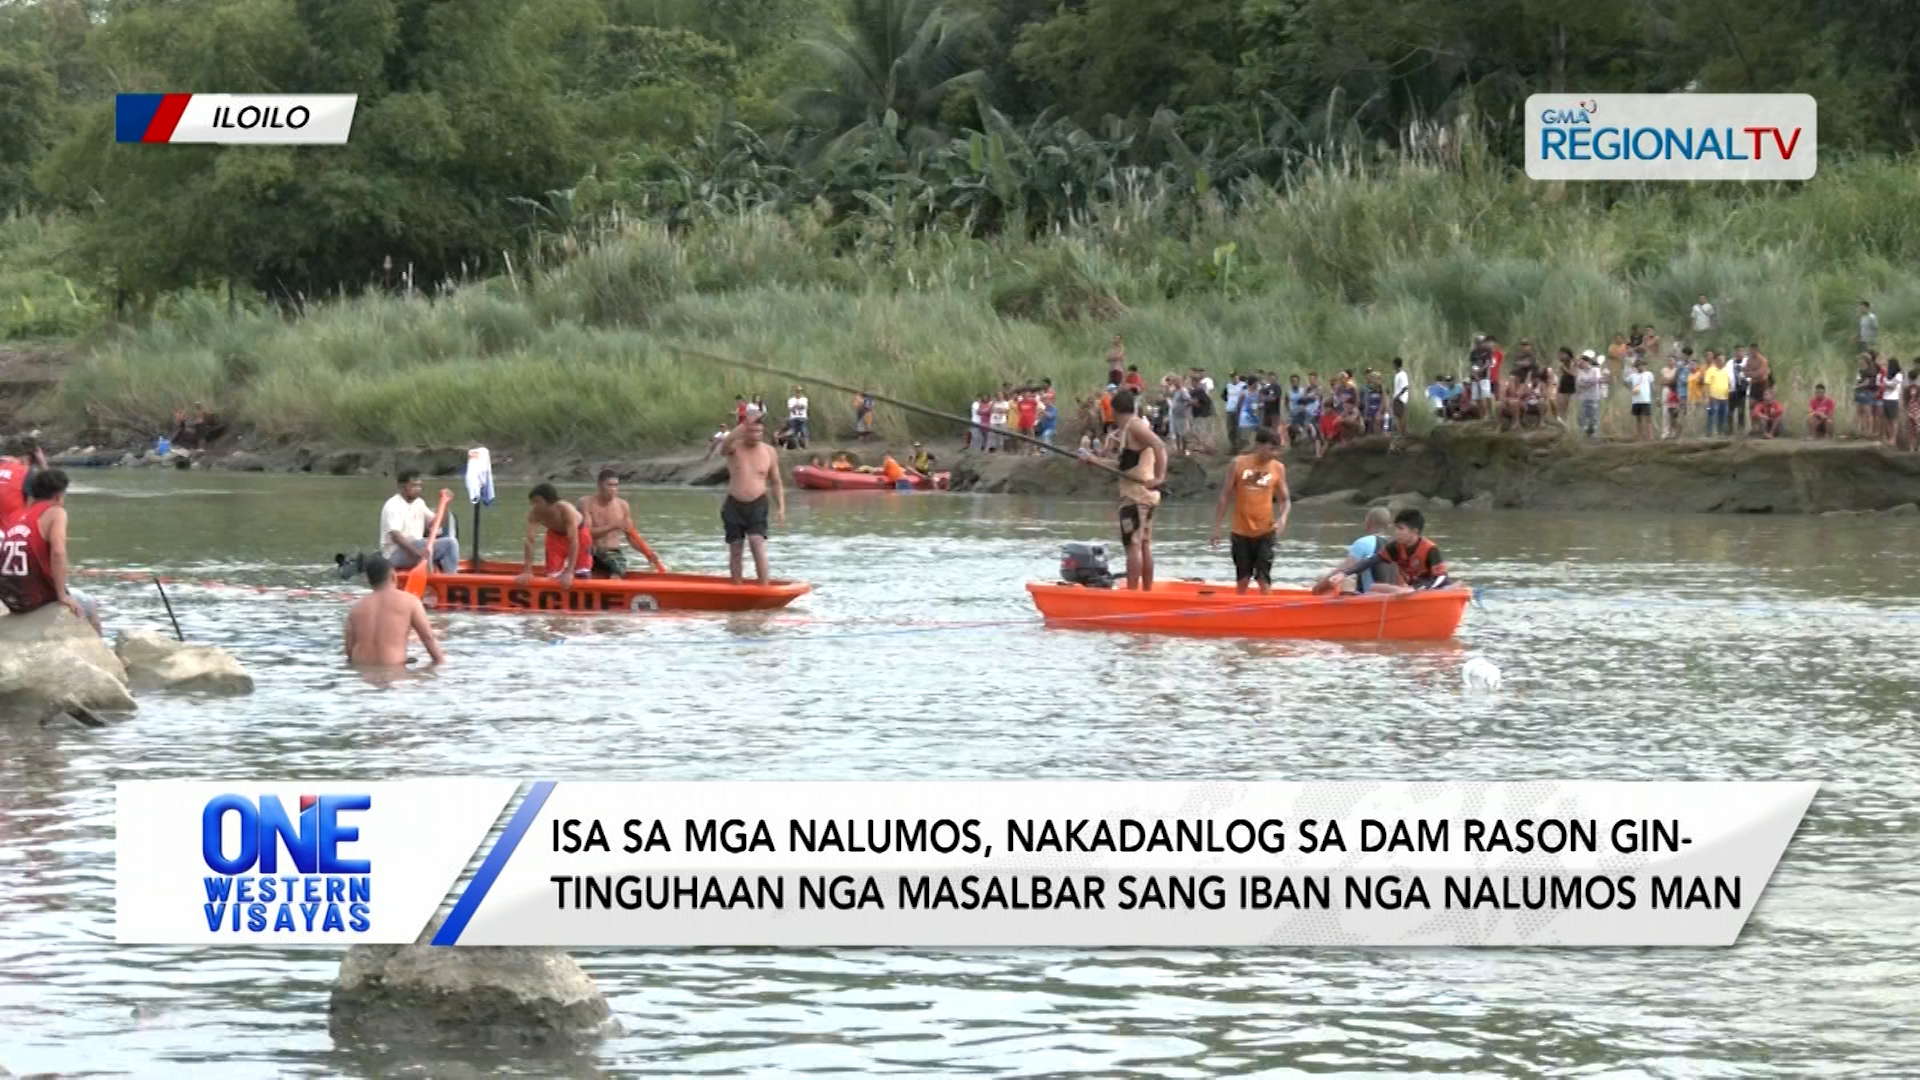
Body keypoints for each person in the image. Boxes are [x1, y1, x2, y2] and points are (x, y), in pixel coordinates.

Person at [1083, 390, 1166, 591]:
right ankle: (1145, 591)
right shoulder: (1130, 429)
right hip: (1143, 496)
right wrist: (1093, 460)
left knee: (1133, 545)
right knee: (1143, 544)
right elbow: (1124, 467)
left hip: (1136, 497)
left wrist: (1159, 477)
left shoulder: (1135, 426)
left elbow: (1159, 445)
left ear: (1114, 411)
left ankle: (1133, 592)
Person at [0, 469, 100, 633]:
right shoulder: (55, 512)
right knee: (89, 603)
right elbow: (58, 552)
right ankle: (99, 647)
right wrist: (62, 595)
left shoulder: (15, 515)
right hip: (36, 597)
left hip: (10, 598)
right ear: (59, 496)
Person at [1209, 428, 1290, 594]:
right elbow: (1225, 495)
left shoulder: (1278, 467)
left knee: (1263, 579)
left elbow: (1285, 499)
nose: (1274, 453)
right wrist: (1216, 528)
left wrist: (1282, 518)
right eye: (1271, 448)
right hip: (1240, 531)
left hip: (1266, 531)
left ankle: (1267, 607)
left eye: (1277, 449)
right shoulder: (1238, 463)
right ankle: (1240, 607)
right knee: (1243, 579)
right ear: (1259, 445)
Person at [343, 555, 445, 668]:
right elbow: (428, 638)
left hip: (361, 671)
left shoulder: (356, 608)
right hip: (393, 671)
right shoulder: (410, 602)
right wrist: (440, 664)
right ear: (393, 575)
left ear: (368, 580)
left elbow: (349, 651)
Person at [1321, 508, 1451, 594]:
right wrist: (1344, 573)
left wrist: (1417, 589)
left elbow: (1441, 577)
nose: (1396, 532)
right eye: (1396, 528)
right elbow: (1371, 561)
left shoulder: (1430, 549)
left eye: (1401, 529)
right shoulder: (1395, 547)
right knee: (1373, 588)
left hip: (1432, 589)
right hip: (1413, 589)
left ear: (1414, 531)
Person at [721, 415, 786, 586]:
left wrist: (781, 507)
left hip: (757, 503)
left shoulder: (769, 451)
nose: (755, 435)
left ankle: (764, 585)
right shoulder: (734, 447)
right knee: (735, 547)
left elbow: (776, 482)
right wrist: (744, 423)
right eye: (751, 431)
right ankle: (737, 586)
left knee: (756, 542)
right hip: (734, 503)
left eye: (759, 431)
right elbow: (725, 445)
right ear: (743, 431)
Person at [577, 469, 663, 577]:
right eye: (609, 485)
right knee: (582, 570)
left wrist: (647, 553)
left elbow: (631, 536)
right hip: (590, 551)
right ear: (599, 485)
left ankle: (615, 579)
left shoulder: (623, 505)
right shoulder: (586, 502)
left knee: (618, 570)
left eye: (616, 485)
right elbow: (587, 533)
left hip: (612, 552)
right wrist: (613, 526)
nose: (613, 489)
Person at [380, 471, 459, 576]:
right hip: (395, 553)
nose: (418, 489)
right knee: (425, 545)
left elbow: (436, 523)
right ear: (401, 486)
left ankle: (450, 578)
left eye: (419, 486)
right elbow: (396, 536)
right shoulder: (393, 505)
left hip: (416, 547)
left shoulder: (419, 503)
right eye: (413, 486)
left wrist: (444, 504)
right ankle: (433, 576)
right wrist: (416, 552)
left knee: (450, 543)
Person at [516, 483, 591, 590]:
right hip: (555, 536)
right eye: (532, 502)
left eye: (537, 502)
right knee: (552, 573)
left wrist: (569, 571)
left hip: (579, 534)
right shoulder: (534, 513)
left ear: (550, 501)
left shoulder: (565, 510)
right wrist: (527, 570)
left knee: (582, 572)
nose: (534, 506)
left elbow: (574, 541)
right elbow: (529, 541)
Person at [1310, 507, 1400, 594]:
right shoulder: (1395, 545)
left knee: (1323, 579)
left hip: (1371, 599)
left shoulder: (1364, 542)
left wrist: (1317, 589)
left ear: (1368, 522)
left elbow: (1343, 570)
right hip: (1392, 596)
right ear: (1387, 525)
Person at [0, 435, 47, 521]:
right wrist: (43, 464)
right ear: (28, 458)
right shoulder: (24, 473)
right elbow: (53, 490)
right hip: (13, 526)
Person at [1627, 356, 1655, 440]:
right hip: (1636, 400)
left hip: (1646, 399)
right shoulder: (1632, 375)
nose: (1640, 366)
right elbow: (1625, 382)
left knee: (1648, 418)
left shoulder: (1649, 374)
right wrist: (1631, 389)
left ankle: (1650, 437)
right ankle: (1639, 437)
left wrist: (1656, 397)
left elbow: (1652, 386)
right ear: (1636, 366)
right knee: (1638, 419)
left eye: (1641, 364)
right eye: (1638, 365)